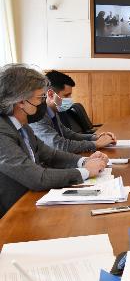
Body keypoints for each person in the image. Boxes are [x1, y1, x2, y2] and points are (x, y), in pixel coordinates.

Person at [0, 64, 108, 218]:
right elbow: (37, 178)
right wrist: (85, 171)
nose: (44, 103)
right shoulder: (2, 132)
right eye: (40, 98)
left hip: (32, 200)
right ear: (20, 101)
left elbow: (50, 155)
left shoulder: (22, 125)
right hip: (13, 214)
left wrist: (84, 161)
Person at [30, 70, 116, 153]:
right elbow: (59, 145)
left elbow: (68, 134)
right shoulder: (37, 116)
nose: (70, 99)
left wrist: (95, 137)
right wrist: (95, 144)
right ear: (51, 94)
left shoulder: (53, 111)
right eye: (66, 95)